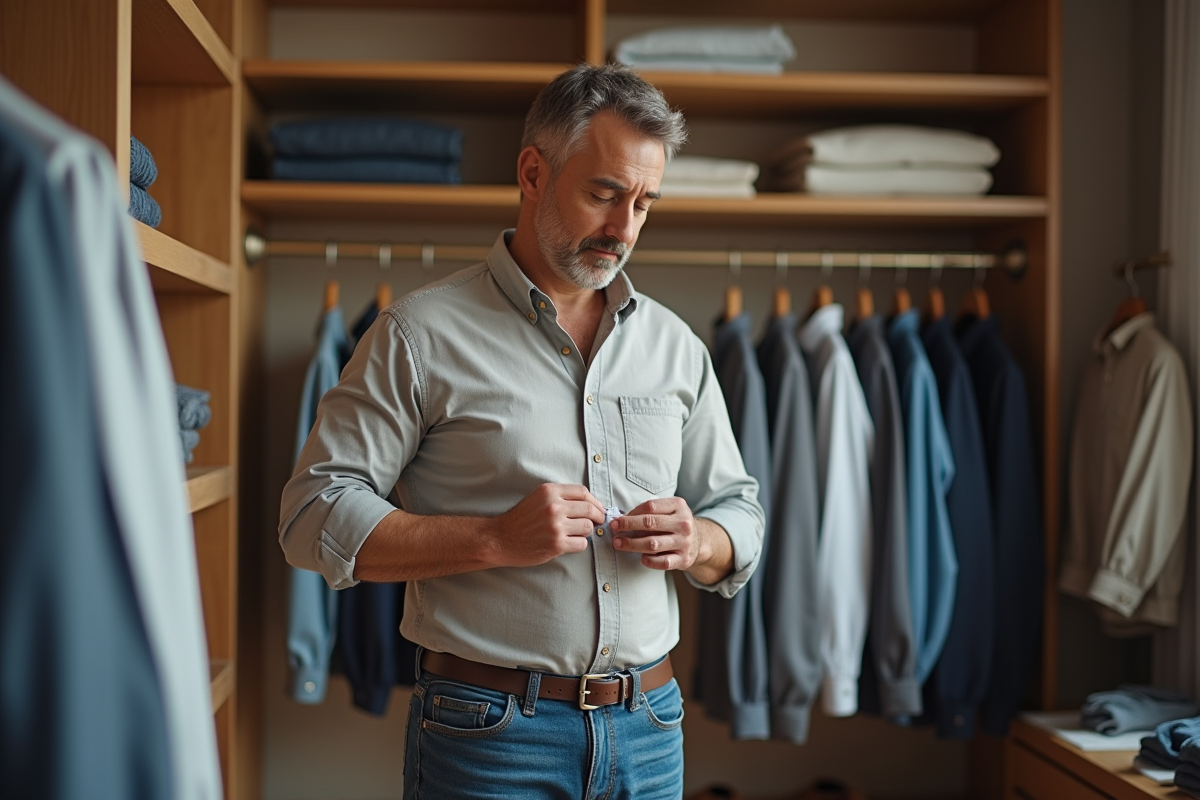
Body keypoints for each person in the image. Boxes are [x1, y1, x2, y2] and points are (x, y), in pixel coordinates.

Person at [278, 63, 765, 800]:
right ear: (534, 172)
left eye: (644, 203)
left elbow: (741, 510)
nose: (624, 229)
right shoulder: (417, 335)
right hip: (490, 736)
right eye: (604, 194)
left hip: (651, 728)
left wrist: (699, 540)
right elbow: (311, 517)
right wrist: (494, 538)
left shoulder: (676, 348)